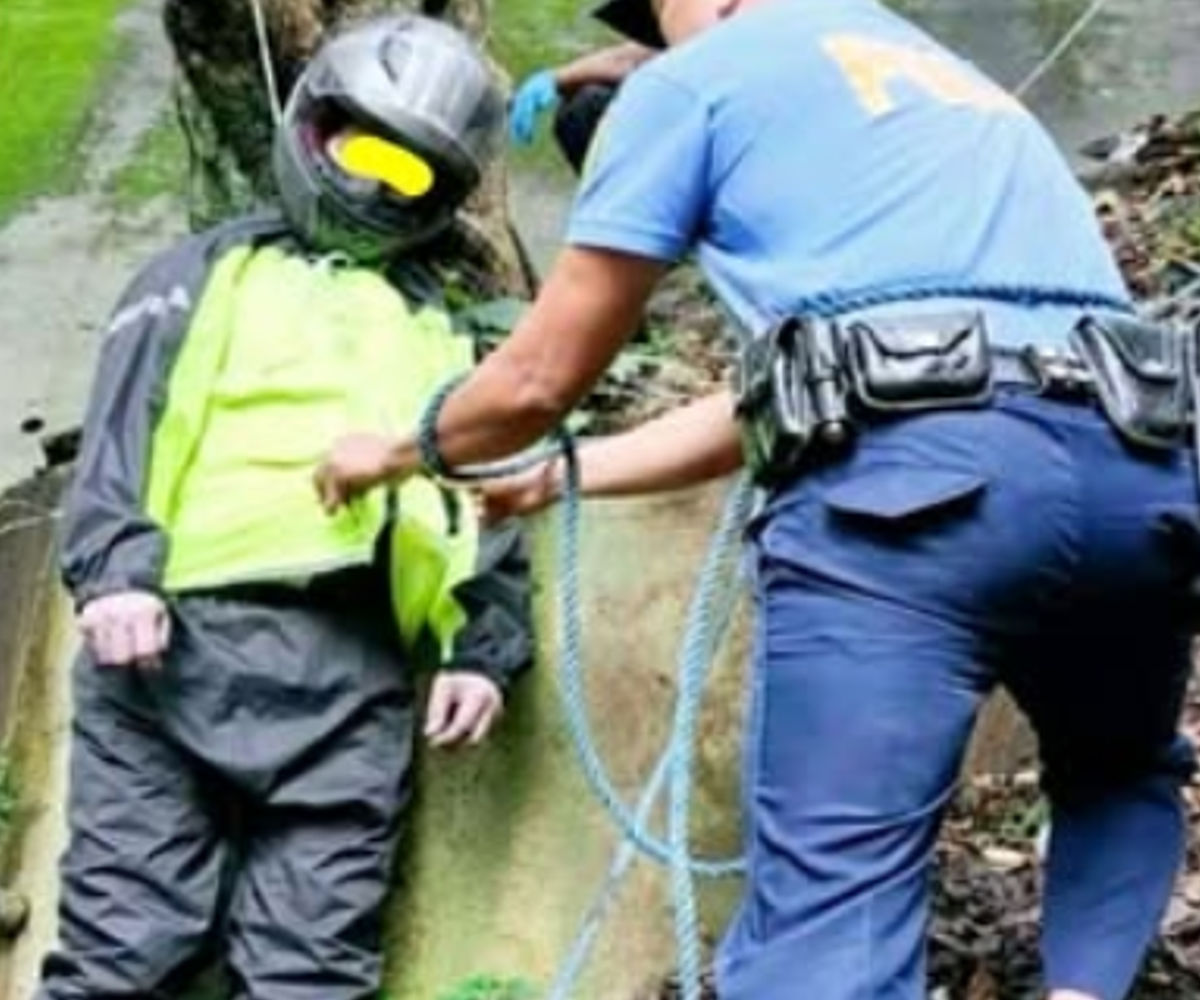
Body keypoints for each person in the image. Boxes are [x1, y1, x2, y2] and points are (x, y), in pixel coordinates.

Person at [313, 1, 1198, 999]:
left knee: (834, 908)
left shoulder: (690, 87)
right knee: (1120, 772)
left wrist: (396, 450)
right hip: (1141, 468)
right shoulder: (942, 81)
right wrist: (568, 474)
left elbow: (534, 382)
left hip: (920, 500)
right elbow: (824, 379)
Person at [45, 15, 531, 1000]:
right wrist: (114, 574)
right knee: (124, 952)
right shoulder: (204, 271)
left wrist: (480, 648)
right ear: (312, 125)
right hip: (174, 647)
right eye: (362, 151)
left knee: (311, 972)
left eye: (405, 175)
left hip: (353, 675)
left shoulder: (440, 325)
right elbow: (126, 429)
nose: (371, 186)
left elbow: (473, 493)